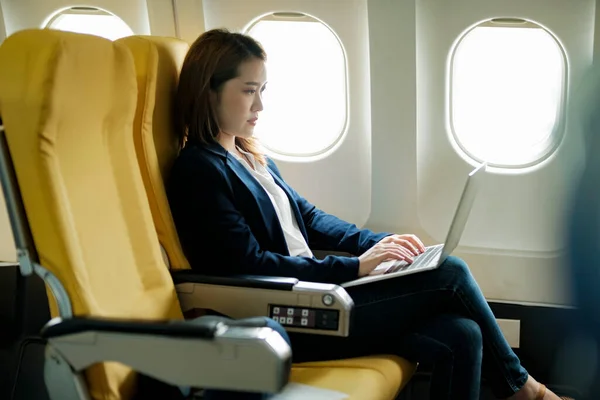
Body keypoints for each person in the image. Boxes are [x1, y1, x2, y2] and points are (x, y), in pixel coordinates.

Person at [166, 28, 571, 400]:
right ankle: (529, 392)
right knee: (451, 273)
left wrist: (380, 244)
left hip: (319, 295)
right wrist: (355, 268)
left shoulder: (249, 154)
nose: (261, 105)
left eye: (263, 89)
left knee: (462, 334)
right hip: (290, 312)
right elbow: (248, 265)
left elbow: (308, 217)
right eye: (249, 90)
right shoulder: (199, 169)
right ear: (209, 91)